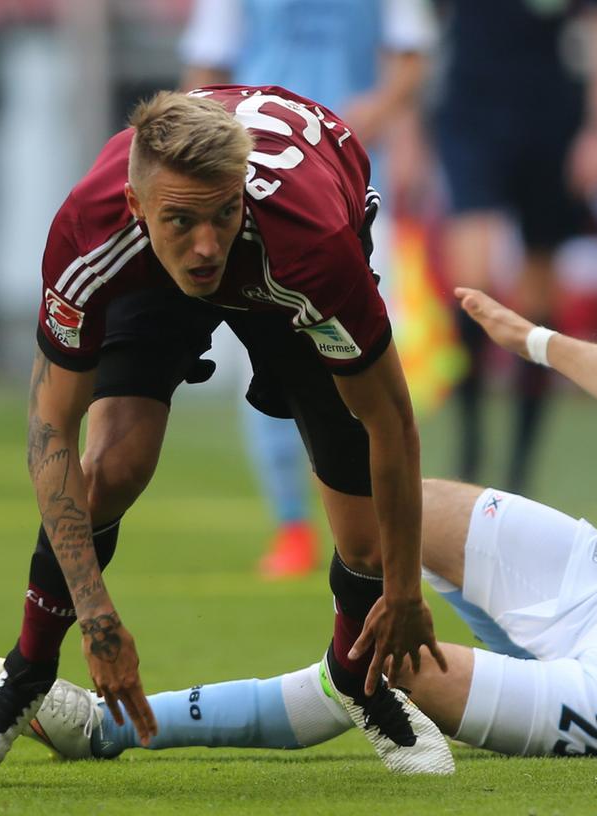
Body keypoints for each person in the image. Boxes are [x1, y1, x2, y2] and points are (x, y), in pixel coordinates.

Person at [7, 259, 597, 769]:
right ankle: (510, 668)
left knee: (381, 665)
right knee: (401, 515)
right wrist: (532, 340)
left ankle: (115, 728)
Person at [0, 87, 452, 779]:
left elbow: (391, 420)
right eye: (181, 220)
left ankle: (359, 681)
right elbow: (52, 426)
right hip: (153, 274)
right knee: (112, 467)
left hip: (280, 270)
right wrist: (96, 618)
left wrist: (404, 593)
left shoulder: (312, 248)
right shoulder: (90, 233)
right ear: (136, 207)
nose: (206, 246)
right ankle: (29, 669)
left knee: (362, 537)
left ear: (242, 191)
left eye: (221, 214)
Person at [177, 0, 437, 578]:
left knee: (363, 355)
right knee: (264, 365)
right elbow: (203, 72)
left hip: (355, 190)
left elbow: (412, 59)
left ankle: (372, 528)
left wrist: (386, 110)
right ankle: (292, 522)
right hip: (256, 191)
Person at [436, 0, 597, 493]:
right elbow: (409, 33)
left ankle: (520, 468)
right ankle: (470, 449)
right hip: (471, 114)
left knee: (538, 296)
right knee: (470, 282)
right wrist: (407, 132)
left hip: (548, 122)